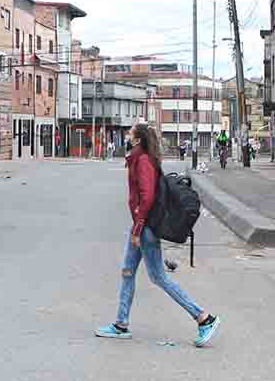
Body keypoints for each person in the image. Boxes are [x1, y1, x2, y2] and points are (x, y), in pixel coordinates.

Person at [95, 122, 221, 346]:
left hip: (145, 229)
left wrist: (138, 228)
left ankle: (204, 318)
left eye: (130, 134)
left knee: (158, 277)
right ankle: (121, 324)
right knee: (127, 272)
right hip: (141, 226)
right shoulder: (138, 157)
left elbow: (147, 197)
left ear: (138, 139)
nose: (127, 136)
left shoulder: (143, 160)